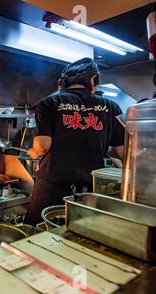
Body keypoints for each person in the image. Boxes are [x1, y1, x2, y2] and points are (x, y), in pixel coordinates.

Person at [25, 57, 125, 226]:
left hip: (52, 191)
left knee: (39, 235)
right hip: (89, 192)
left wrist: (33, 152)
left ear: (63, 82)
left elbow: (42, 146)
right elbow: (120, 152)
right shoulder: (111, 107)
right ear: (93, 80)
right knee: (80, 238)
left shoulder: (50, 102)